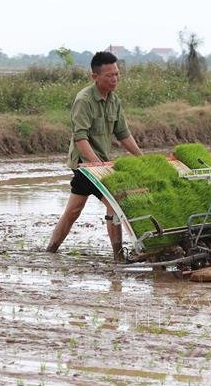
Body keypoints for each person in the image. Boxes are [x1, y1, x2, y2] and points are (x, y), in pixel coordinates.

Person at [46, 51, 142, 262]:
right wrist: (97, 167)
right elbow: (80, 138)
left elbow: (123, 134)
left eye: (117, 74)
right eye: (110, 75)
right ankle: (118, 257)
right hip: (85, 165)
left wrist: (141, 158)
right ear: (95, 76)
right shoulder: (84, 100)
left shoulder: (114, 100)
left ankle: (50, 250)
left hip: (100, 165)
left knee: (73, 211)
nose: (115, 79)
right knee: (114, 202)